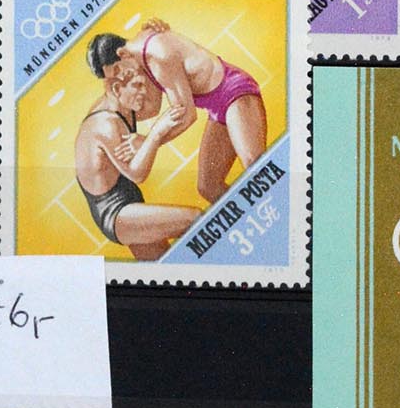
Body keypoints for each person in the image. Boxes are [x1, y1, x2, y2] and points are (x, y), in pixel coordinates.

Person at [88, 20, 267, 210]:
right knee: (209, 187)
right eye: (115, 77)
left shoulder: (156, 55)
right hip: (217, 107)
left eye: (118, 70)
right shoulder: (140, 58)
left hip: (235, 92)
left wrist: (147, 142)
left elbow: (187, 115)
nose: (122, 77)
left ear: (122, 54)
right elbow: (152, 108)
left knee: (255, 166)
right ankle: (251, 216)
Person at [72, 81, 202, 263]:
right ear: (117, 88)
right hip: (117, 215)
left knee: (164, 268)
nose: (144, 91)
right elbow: (137, 174)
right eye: (137, 85)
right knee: (197, 220)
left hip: (130, 203)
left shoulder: (123, 105)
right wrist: (155, 134)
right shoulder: (105, 124)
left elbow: (155, 107)